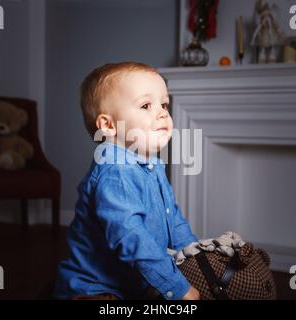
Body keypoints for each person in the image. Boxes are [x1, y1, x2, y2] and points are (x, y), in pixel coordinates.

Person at [54, 62, 200, 300]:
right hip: (96, 288)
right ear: (108, 125)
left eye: (164, 104)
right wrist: (177, 286)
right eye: (146, 105)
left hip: (134, 284)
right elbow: (132, 238)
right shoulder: (115, 172)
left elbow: (173, 218)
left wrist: (196, 258)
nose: (163, 112)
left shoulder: (152, 163)